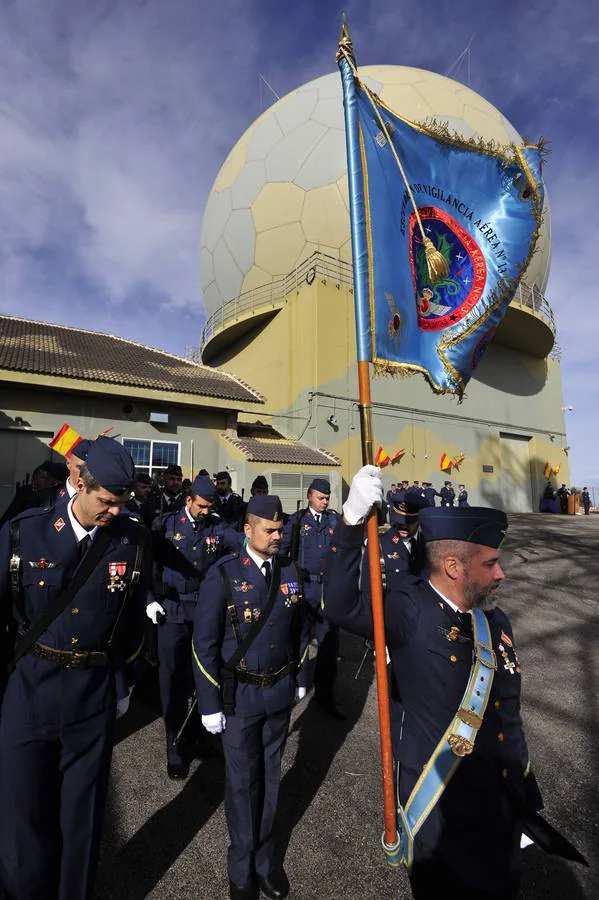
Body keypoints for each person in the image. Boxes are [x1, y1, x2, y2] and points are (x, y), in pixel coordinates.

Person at [323, 466, 552, 900]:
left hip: (500, 807)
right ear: (452, 566)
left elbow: (509, 716)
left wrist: (525, 799)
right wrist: (351, 522)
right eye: (490, 563)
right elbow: (340, 605)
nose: (500, 574)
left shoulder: (494, 620)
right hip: (441, 809)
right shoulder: (411, 608)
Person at [0, 437, 149, 900]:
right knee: (23, 820)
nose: (114, 512)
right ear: (79, 482)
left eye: (121, 503)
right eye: (106, 501)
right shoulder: (27, 531)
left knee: (82, 824)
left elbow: (132, 620)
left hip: (91, 699)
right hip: (31, 693)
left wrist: (121, 683)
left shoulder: (132, 540)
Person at [193, 495, 310, 900]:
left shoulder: (291, 571)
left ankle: (264, 862)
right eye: (270, 530)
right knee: (243, 786)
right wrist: (209, 704)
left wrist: (299, 676)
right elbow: (204, 644)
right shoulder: (223, 575)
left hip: (278, 693)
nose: (279, 536)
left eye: (281, 530)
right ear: (248, 529)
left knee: (271, 781)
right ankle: (240, 869)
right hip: (239, 699)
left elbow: (301, 630)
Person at [147, 475, 239, 779]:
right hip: (171, 611)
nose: (205, 511)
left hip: (203, 612)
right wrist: (150, 599)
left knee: (205, 675)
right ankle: (175, 745)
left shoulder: (215, 525)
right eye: (201, 505)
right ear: (188, 500)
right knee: (172, 681)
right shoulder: (166, 525)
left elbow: (239, 542)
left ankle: (200, 735)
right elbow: (146, 563)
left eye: (209, 506)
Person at [280, 477, 343, 718]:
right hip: (304, 589)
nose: (325, 501)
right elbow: (284, 555)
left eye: (327, 497)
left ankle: (326, 697)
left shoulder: (333, 521)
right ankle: (294, 688)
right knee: (300, 641)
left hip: (327, 590)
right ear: (309, 496)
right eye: (320, 497)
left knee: (328, 645)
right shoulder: (297, 521)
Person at [0, 460, 68, 525]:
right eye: (41, 477)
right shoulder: (25, 491)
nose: (38, 481)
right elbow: (9, 516)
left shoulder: (56, 496)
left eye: (45, 478)